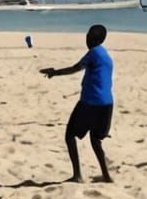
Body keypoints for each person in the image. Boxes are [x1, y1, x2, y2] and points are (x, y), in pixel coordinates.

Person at [41, 23, 114, 184]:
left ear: (93, 39)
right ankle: (107, 176)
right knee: (96, 140)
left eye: (88, 35)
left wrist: (55, 72)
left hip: (90, 102)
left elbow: (75, 68)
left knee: (69, 135)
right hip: (107, 104)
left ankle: (77, 175)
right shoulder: (107, 56)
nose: (86, 38)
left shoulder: (93, 53)